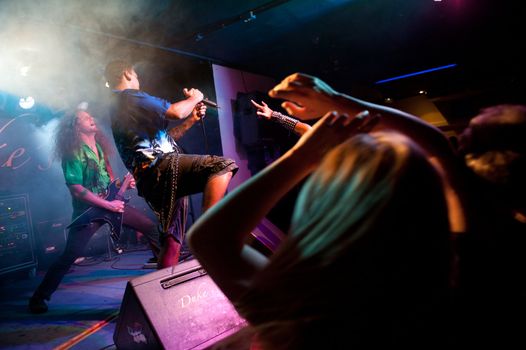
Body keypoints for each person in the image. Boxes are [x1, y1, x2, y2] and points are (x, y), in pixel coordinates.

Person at [104, 60, 238, 268]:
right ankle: (206, 231)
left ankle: (164, 291)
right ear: (127, 74)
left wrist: (191, 119)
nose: (138, 79)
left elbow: (166, 140)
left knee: (172, 239)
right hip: (162, 169)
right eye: (136, 75)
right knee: (222, 166)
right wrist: (195, 98)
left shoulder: (120, 107)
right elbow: (176, 112)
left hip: (153, 178)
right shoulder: (129, 96)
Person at [28, 104, 161, 314]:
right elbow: (76, 189)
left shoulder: (99, 148)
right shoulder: (73, 153)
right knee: (69, 255)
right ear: (75, 126)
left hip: (110, 205)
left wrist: (122, 185)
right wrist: (107, 204)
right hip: (88, 212)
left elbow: (106, 182)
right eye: (85, 117)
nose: (91, 118)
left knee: (151, 228)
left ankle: (164, 278)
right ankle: (39, 297)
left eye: (91, 115)